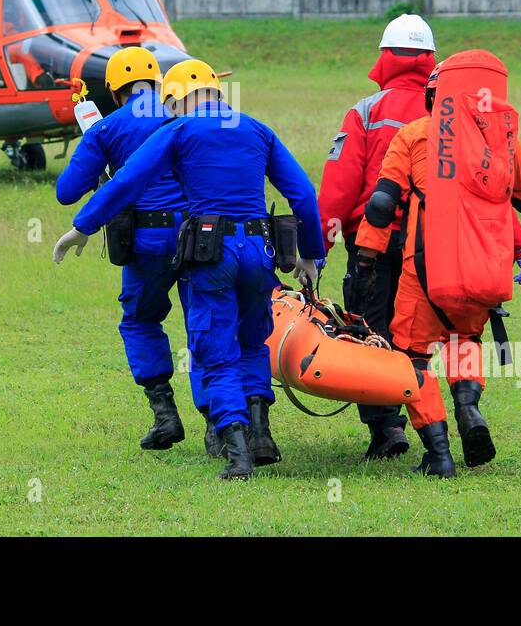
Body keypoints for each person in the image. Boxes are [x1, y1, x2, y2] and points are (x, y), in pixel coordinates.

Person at [53, 59, 324, 480]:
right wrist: (310, 253)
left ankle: (237, 454)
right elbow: (304, 193)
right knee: (252, 342)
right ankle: (262, 435)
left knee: (214, 348)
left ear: (177, 98)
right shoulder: (257, 128)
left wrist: (82, 226)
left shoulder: (178, 130)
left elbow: (126, 183)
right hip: (259, 249)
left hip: (211, 253)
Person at [355, 66, 521, 478]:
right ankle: (468, 407)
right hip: (484, 270)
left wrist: (366, 256)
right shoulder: (503, 137)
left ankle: (439, 456)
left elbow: (383, 206)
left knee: (413, 356)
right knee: (466, 339)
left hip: (423, 272)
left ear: (433, 96)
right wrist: (520, 247)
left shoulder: (414, 134)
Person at [54, 47, 209, 454]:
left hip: (148, 241)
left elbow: (66, 192)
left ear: (115, 89)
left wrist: (96, 146)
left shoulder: (107, 128)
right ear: (157, 81)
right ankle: (219, 425)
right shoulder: (185, 113)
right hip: (200, 237)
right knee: (206, 323)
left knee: (140, 321)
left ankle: (165, 416)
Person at [317, 13, 436, 461]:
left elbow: (338, 187)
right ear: (430, 60)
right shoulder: (444, 112)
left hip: (372, 243)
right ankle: (449, 425)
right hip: (433, 244)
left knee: (370, 330)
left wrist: (320, 244)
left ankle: (386, 428)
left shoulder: (365, 111)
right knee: (425, 335)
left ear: (385, 58)